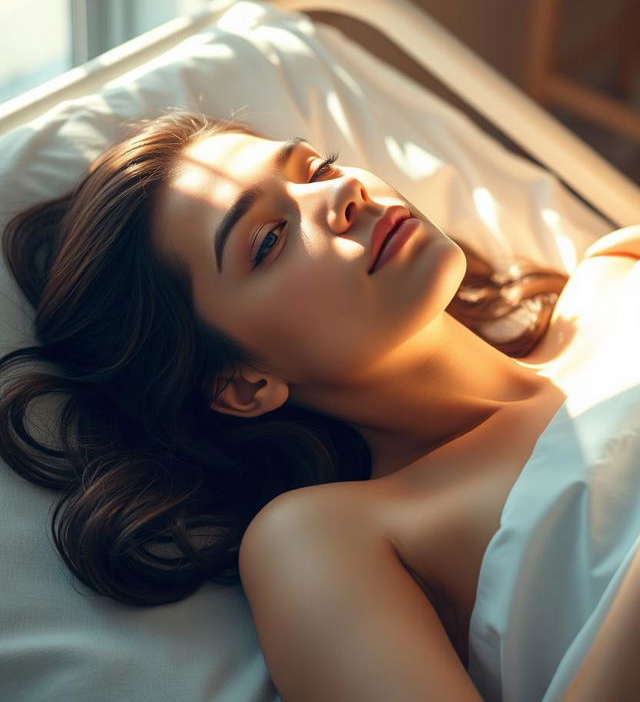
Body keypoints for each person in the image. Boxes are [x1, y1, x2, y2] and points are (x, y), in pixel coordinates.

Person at [1, 109, 638, 701]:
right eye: (269, 240)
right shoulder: (326, 537)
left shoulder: (617, 274)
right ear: (244, 384)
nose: (340, 196)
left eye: (319, 168)